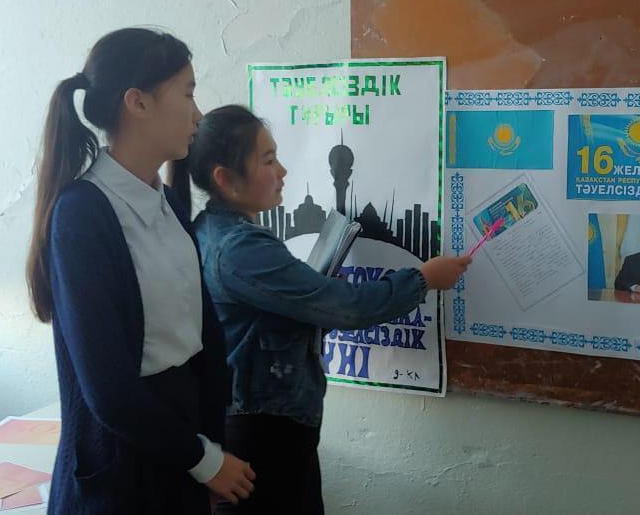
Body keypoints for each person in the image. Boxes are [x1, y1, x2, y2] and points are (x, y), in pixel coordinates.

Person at [180, 104, 471, 514]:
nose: (282, 171)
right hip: (264, 436)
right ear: (225, 179)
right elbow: (348, 308)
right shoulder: (239, 249)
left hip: (264, 425)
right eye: (268, 160)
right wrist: (423, 279)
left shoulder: (213, 231)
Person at [25, 28, 255, 513]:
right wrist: (206, 461)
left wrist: (210, 453)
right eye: (187, 94)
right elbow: (108, 389)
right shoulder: (83, 214)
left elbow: (203, 341)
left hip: (180, 454)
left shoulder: (166, 201)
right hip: (121, 473)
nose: (197, 115)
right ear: (138, 103)